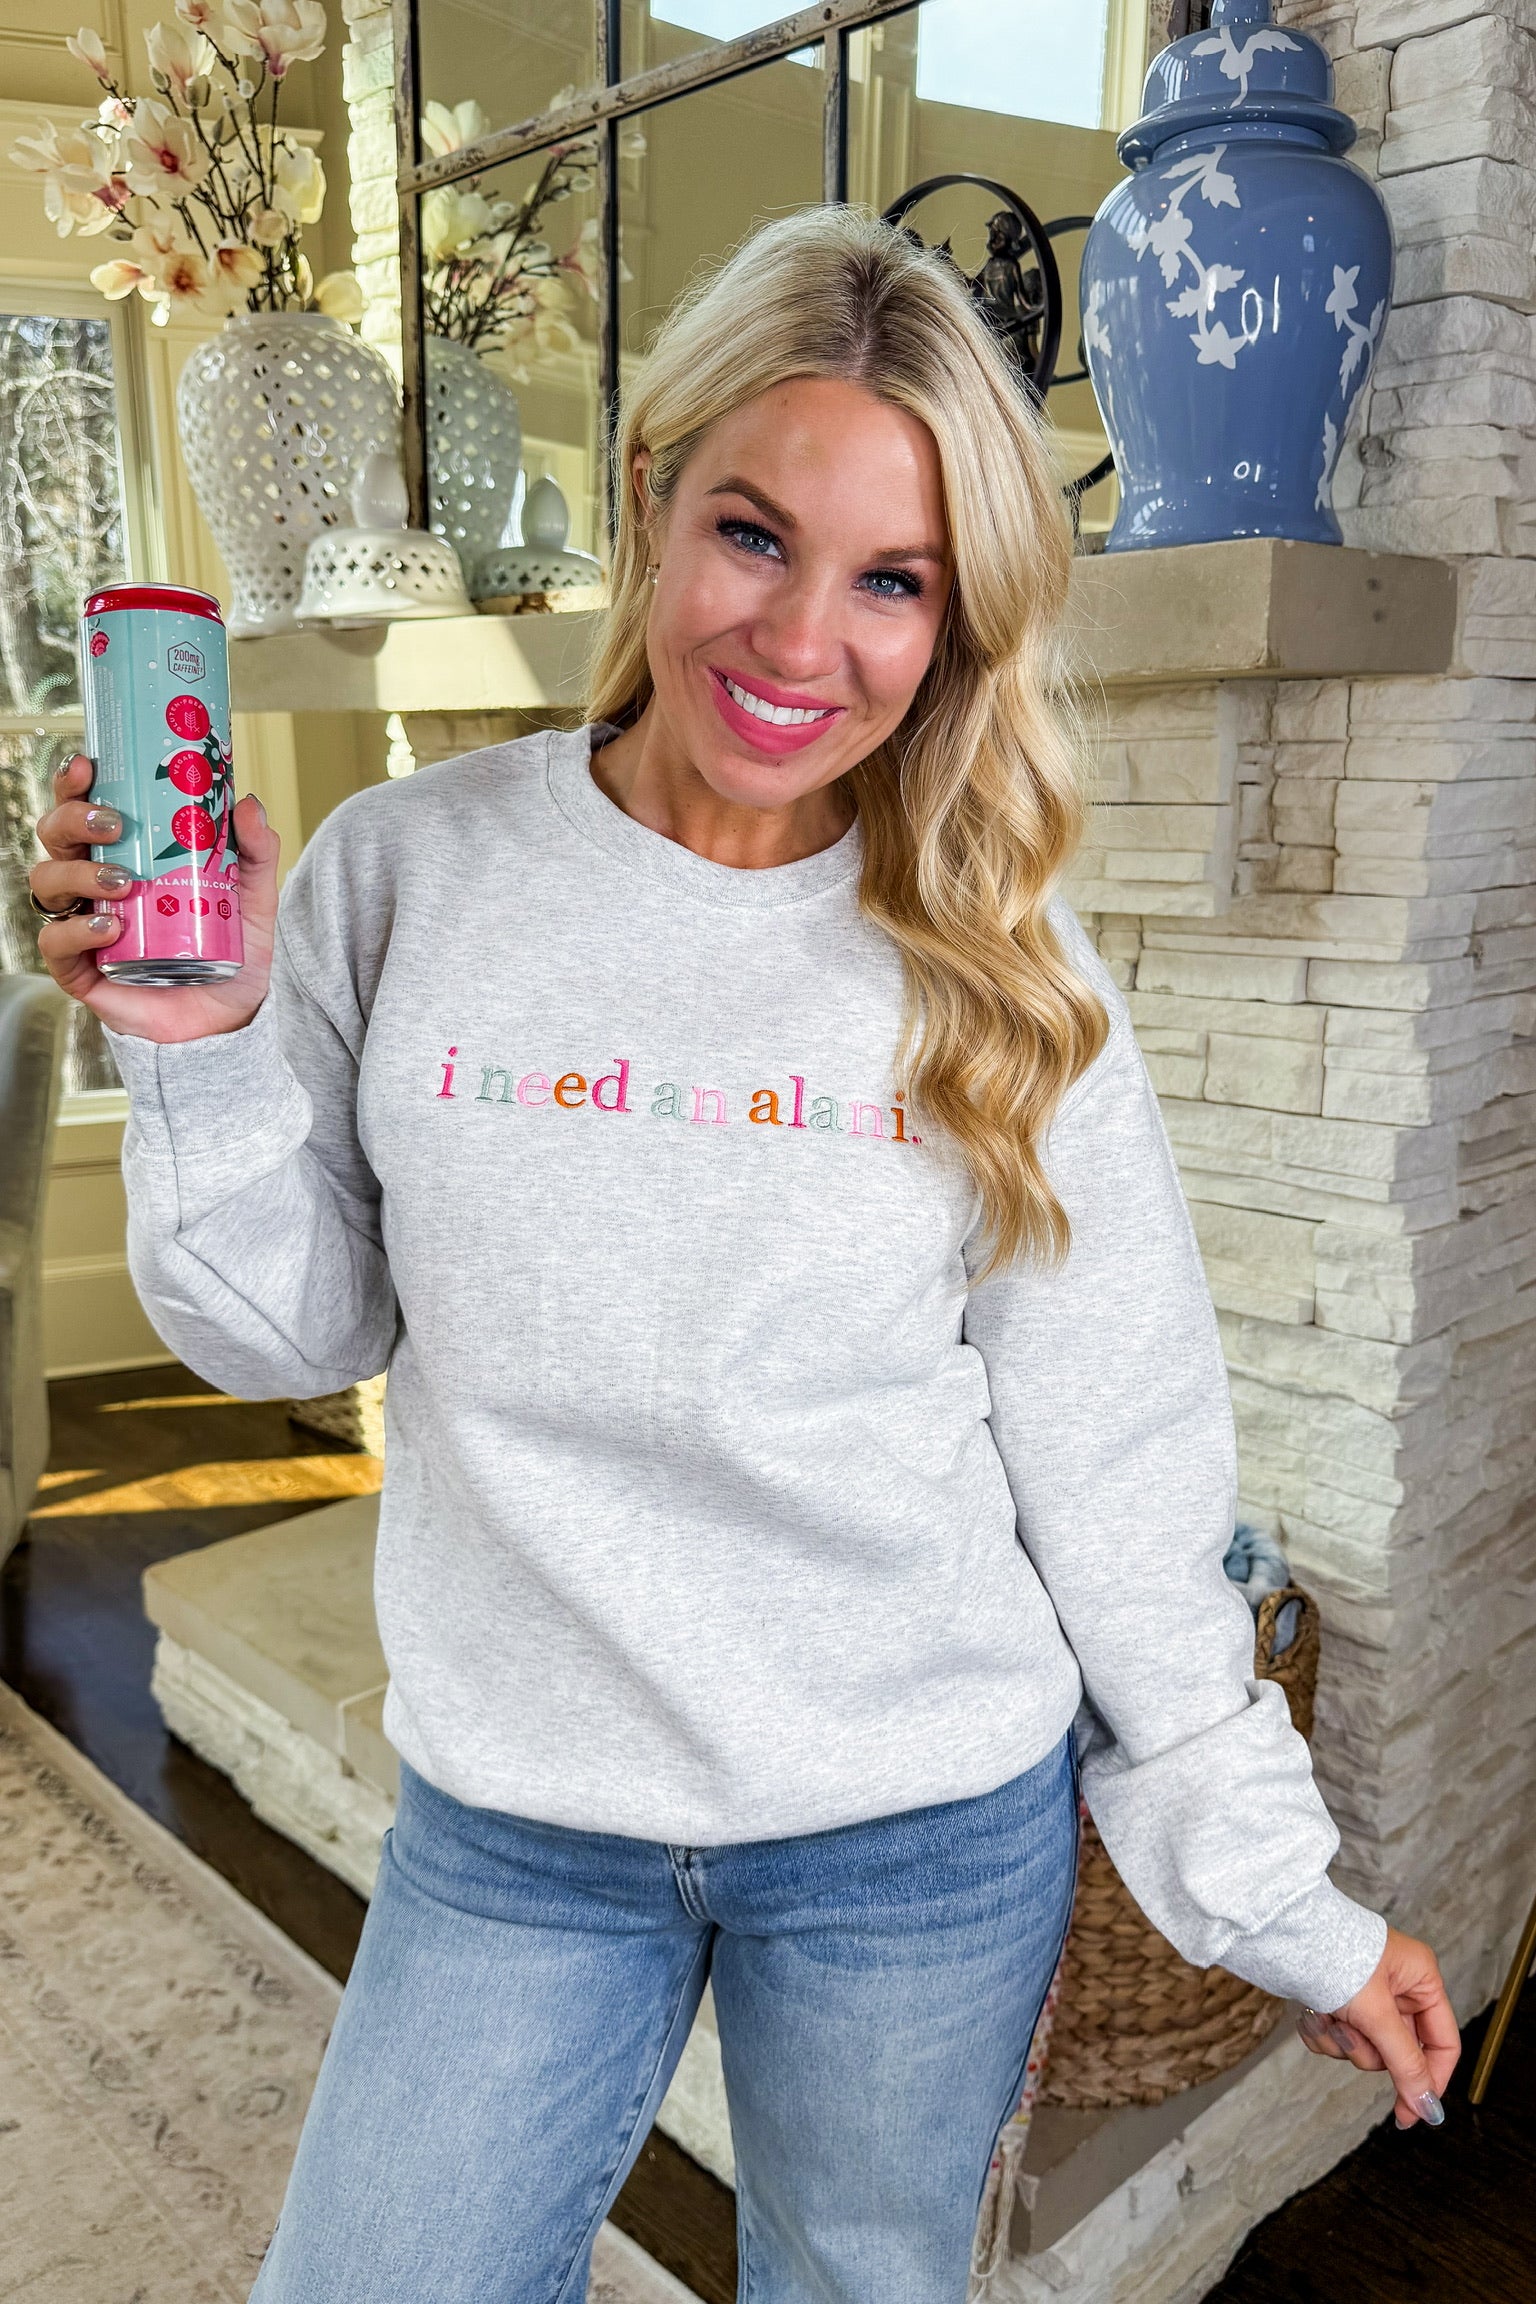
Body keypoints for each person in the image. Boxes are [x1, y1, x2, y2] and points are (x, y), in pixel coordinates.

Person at [32, 208, 1457, 2304]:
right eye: (753, 535)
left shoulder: (1003, 963)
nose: (804, 642)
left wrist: (1277, 1899)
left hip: (914, 1836)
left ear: (959, 617)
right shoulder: (408, 871)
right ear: (650, 499)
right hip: (521, 1821)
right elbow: (285, 1336)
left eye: (895, 579)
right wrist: (200, 1041)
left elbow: (1121, 1461)